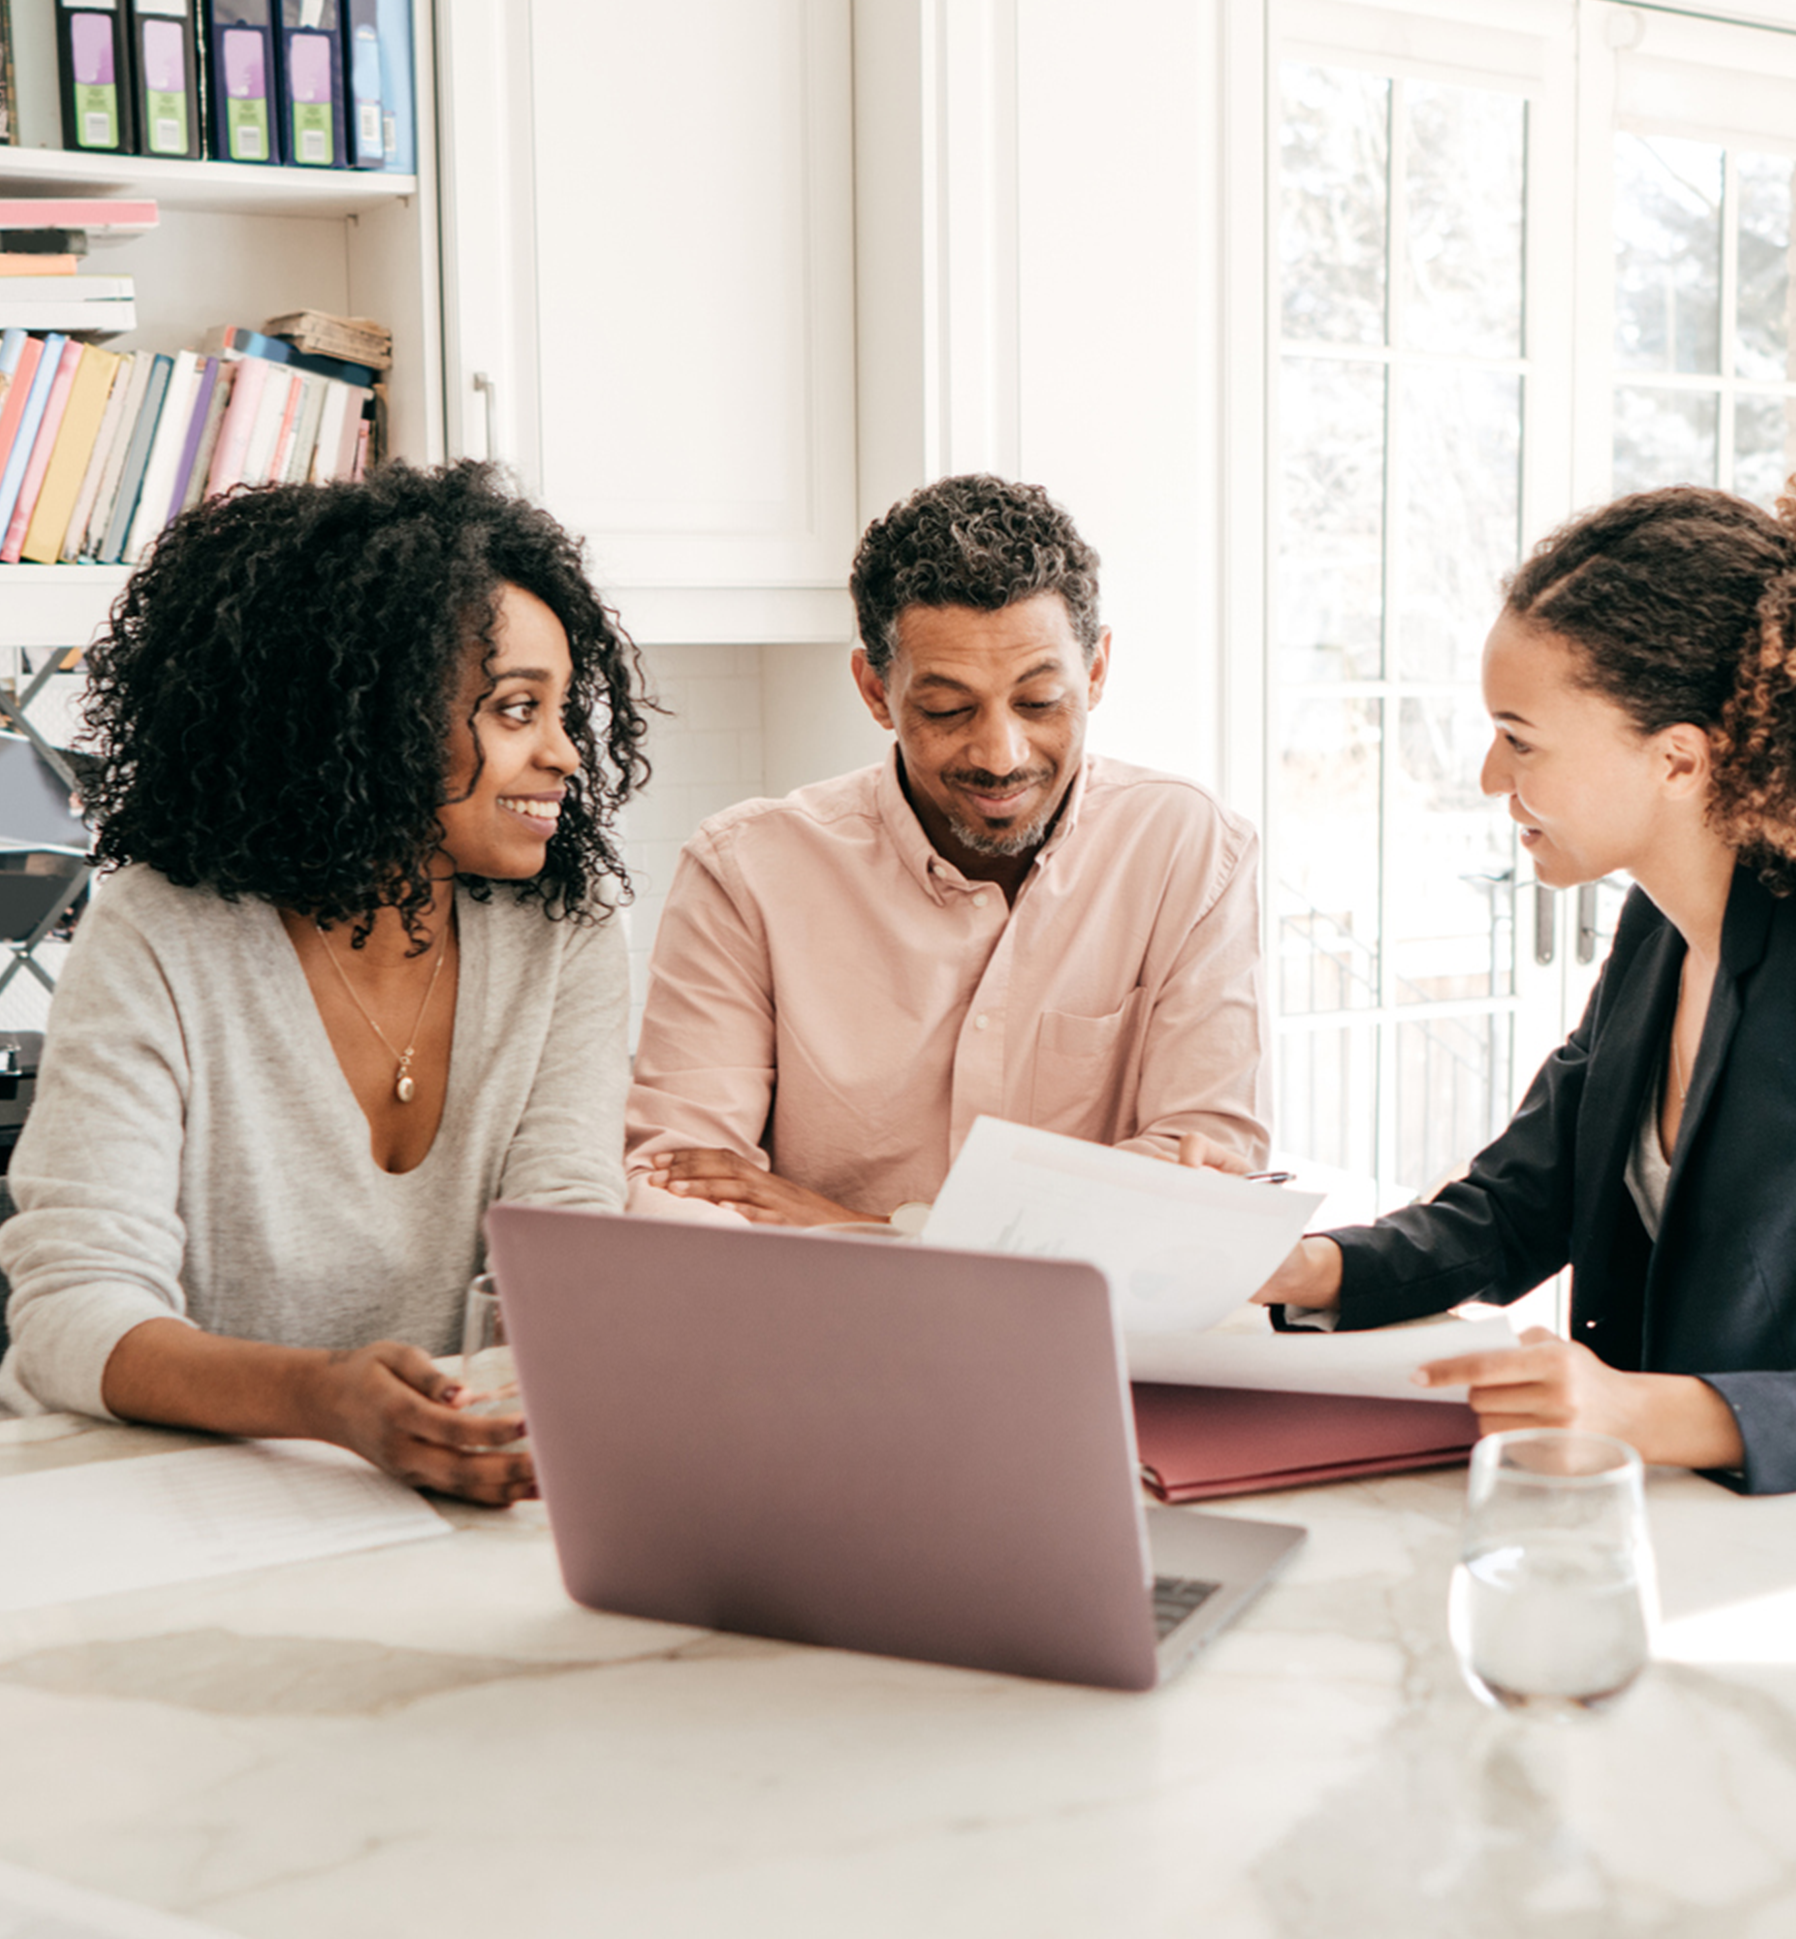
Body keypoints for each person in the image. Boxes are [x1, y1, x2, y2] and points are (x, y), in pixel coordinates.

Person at [1257, 482, 1796, 1503]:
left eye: (1520, 737)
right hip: (1687, 1522)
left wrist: (1642, 1413)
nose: (1485, 776)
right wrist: (1298, 1268)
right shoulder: (1659, 927)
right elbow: (1518, 1207)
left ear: (1679, 758)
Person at [0, 461, 650, 1504]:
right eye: (518, 709)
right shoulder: (166, 927)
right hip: (171, 1499)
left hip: (442, 1484)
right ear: (374, 715)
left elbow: (563, 1245)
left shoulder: (565, 929)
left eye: (563, 709)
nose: (566, 754)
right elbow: (74, 1311)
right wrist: (324, 1399)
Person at [626, 472, 1268, 1227]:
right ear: (875, 690)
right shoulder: (744, 874)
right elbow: (680, 1191)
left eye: (1038, 702)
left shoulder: (1192, 852)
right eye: (946, 708)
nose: (1001, 754)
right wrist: (1068, 1212)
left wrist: (864, 1230)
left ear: (1094, 671)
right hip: (821, 1339)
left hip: (1089, 1340)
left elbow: (1208, 1170)